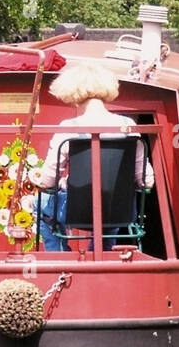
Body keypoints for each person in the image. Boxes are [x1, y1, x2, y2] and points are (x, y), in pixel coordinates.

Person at [37, 62, 154, 251]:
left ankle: (62, 258)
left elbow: (47, 181)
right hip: (119, 212)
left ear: (72, 92)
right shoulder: (128, 126)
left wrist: (63, 183)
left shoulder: (68, 127)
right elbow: (146, 181)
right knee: (114, 202)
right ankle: (103, 253)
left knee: (39, 206)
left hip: (76, 211)